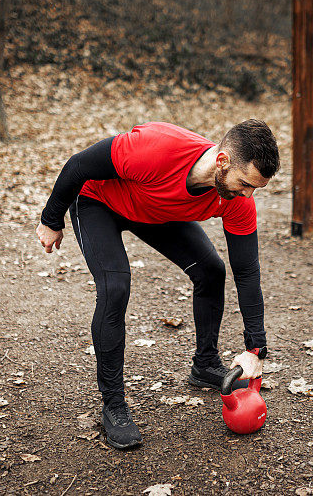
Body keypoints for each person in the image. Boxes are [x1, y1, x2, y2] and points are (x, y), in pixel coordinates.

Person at [36, 120, 278, 449]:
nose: (248, 194)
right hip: (98, 201)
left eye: (255, 189)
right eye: (245, 183)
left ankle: (205, 364)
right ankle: (114, 405)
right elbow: (79, 164)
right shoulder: (156, 149)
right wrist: (52, 219)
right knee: (115, 287)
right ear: (222, 162)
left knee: (211, 271)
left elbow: (247, 271)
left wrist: (255, 349)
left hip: (152, 211)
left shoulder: (237, 201)